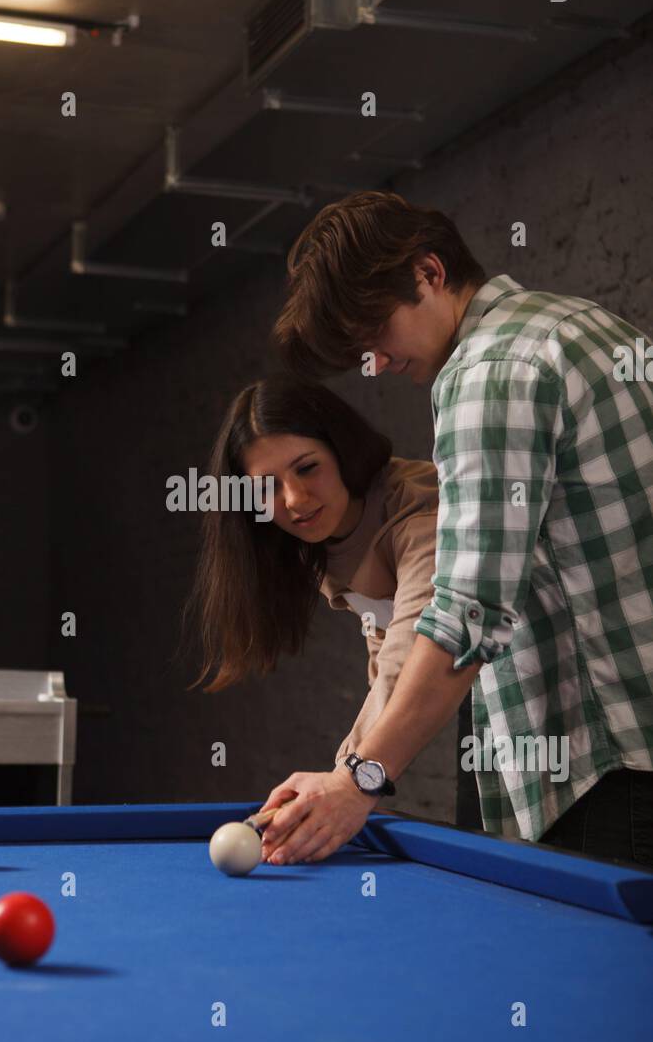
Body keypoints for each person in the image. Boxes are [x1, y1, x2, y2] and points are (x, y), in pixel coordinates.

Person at [258, 190, 653, 869]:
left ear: (429, 273)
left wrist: (360, 781)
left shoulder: (489, 374)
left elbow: (467, 615)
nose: (375, 362)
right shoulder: (585, 326)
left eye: (374, 332)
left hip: (607, 768)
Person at [186, 376, 445, 856]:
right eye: (268, 486)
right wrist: (349, 781)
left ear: (342, 449)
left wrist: (353, 780)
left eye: (308, 468)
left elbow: (418, 643)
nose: (295, 500)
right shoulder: (325, 538)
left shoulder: (419, 512)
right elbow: (386, 650)